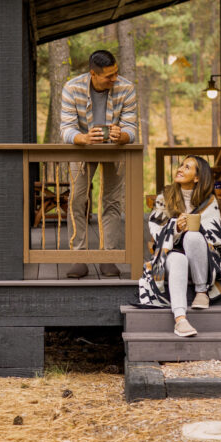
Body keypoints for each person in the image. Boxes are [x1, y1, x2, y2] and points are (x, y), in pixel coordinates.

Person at [60, 49, 139, 278]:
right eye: (109, 76)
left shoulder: (127, 88)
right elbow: (66, 128)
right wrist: (83, 138)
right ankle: (79, 257)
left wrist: (122, 136)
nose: (115, 78)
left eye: (116, 73)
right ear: (92, 74)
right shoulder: (71, 88)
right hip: (81, 149)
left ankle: (108, 256)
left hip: (115, 151)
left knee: (112, 200)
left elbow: (131, 128)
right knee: (77, 199)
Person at [138, 155, 221, 337]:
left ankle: (201, 291)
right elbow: (155, 229)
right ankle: (180, 319)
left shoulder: (209, 201)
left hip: (201, 262)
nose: (180, 169)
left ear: (197, 177)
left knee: (194, 237)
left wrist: (193, 229)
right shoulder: (165, 196)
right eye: (181, 165)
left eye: (187, 167)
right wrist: (175, 227)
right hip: (171, 256)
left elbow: (217, 237)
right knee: (179, 258)